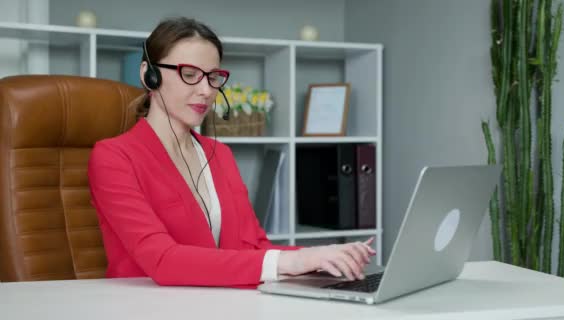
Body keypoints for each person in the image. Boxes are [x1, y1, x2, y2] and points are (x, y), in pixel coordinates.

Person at [88, 17, 375, 288]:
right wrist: (293, 261)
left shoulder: (219, 153)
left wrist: (323, 256)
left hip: (221, 304)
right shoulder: (114, 157)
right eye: (189, 74)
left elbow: (253, 248)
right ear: (149, 75)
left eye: (213, 77)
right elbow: (162, 260)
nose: (206, 90)